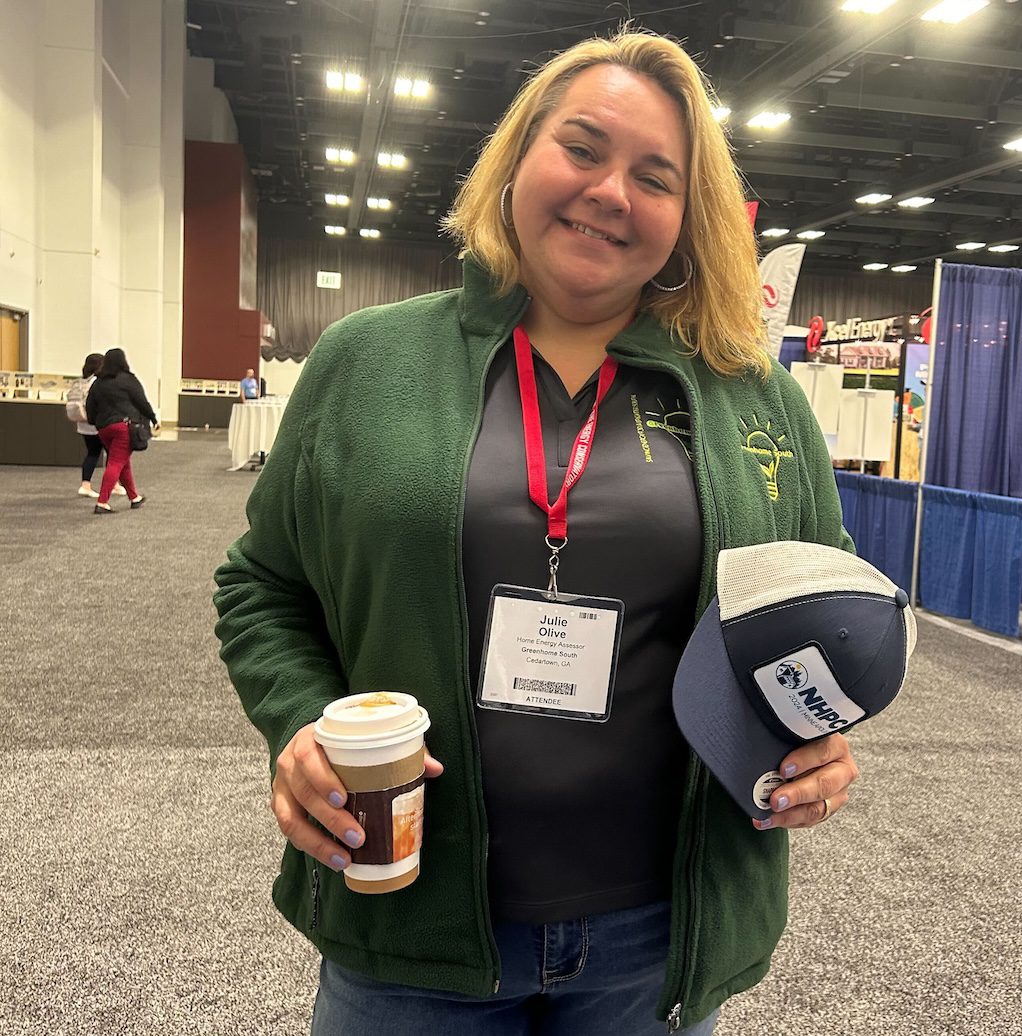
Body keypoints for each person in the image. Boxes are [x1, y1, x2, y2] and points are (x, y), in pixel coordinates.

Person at [214, 29, 859, 1036]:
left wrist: (816, 737)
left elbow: (818, 612)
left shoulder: (754, 399)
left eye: (655, 176)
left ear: (687, 220)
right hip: (411, 923)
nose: (611, 191)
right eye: (583, 147)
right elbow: (262, 583)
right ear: (517, 157)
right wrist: (299, 722)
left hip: (657, 940)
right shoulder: (366, 362)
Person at [85, 347, 156, 514]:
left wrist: (95, 422)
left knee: (122, 461)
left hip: (104, 428)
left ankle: (134, 497)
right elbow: (141, 401)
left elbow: (90, 405)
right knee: (116, 463)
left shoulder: (98, 382)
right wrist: (152, 418)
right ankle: (102, 502)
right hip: (123, 427)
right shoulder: (128, 379)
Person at [65, 352, 123, 499]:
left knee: (92, 453)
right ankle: (113, 484)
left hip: (83, 423)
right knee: (112, 454)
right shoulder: (97, 382)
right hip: (97, 424)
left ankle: (86, 484)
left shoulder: (81, 381)